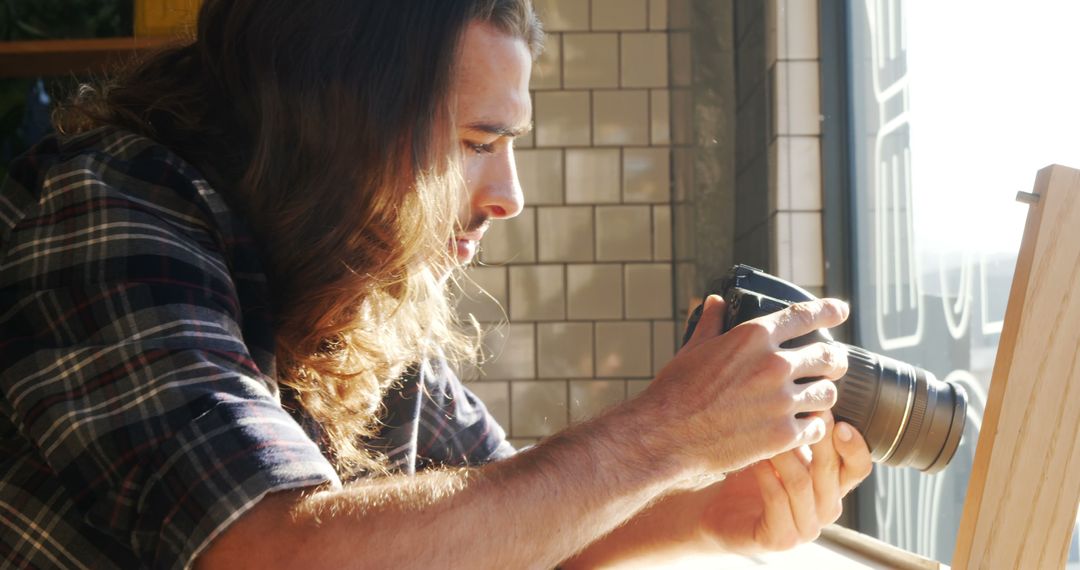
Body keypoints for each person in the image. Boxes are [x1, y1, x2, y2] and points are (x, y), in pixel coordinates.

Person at [0, 1, 872, 568]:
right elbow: (267, 555)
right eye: (474, 142)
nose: (509, 196)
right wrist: (661, 439)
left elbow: (512, 529)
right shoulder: (115, 209)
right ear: (340, 117)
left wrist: (702, 510)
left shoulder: (359, 283)